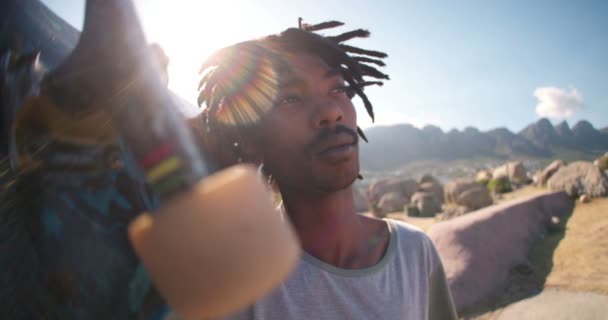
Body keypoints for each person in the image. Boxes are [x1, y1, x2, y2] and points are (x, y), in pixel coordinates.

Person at [193, 19, 458, 319]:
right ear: (252, 138)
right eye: (291, 98)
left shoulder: (414, 252)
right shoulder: (239, 284)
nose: (331, 112)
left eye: (337, 89)